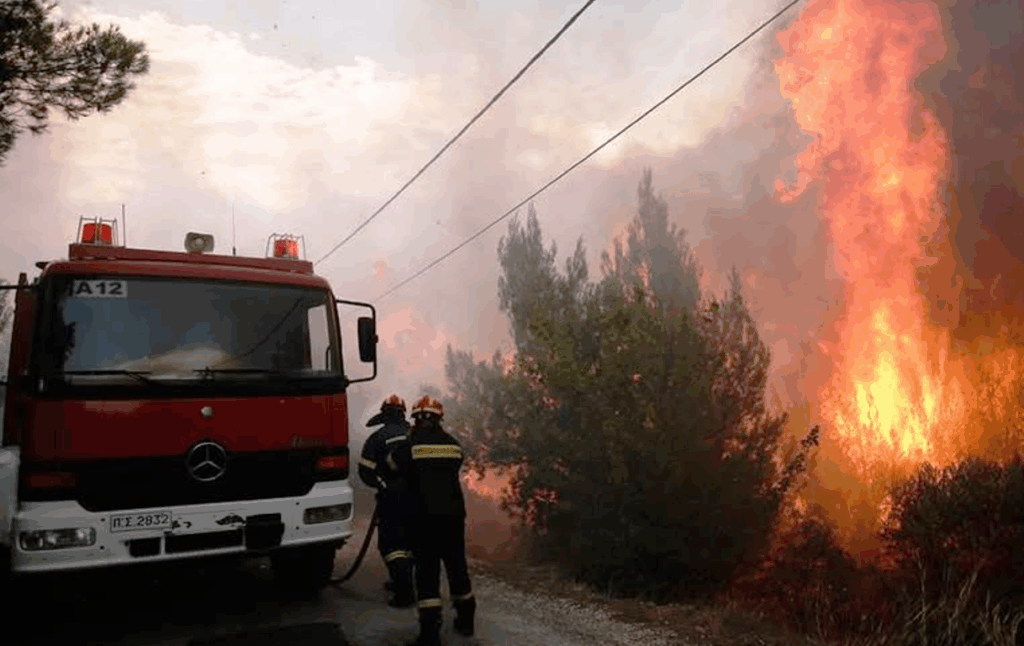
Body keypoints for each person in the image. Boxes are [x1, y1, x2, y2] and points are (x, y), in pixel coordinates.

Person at [390, 395, 475, 646]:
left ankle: (430, 635)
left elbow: (391, 464)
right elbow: (456, 463)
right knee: (457, 568)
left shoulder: (410, 445)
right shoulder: (453, 445)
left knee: (427, 574)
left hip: (423, 520)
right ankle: (466, 622)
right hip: (453, 519)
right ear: (439, 419)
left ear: (415, 419)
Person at [358, 394, 416, 608]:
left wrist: (382, 485)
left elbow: (365, 471)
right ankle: (403, 581)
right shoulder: (414, 434)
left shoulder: (377, 438)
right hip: (417, 499)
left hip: (391, 500)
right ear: (403, 413)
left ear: (384, 414)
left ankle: (404, 593)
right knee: (410, 543)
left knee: (391, 545)